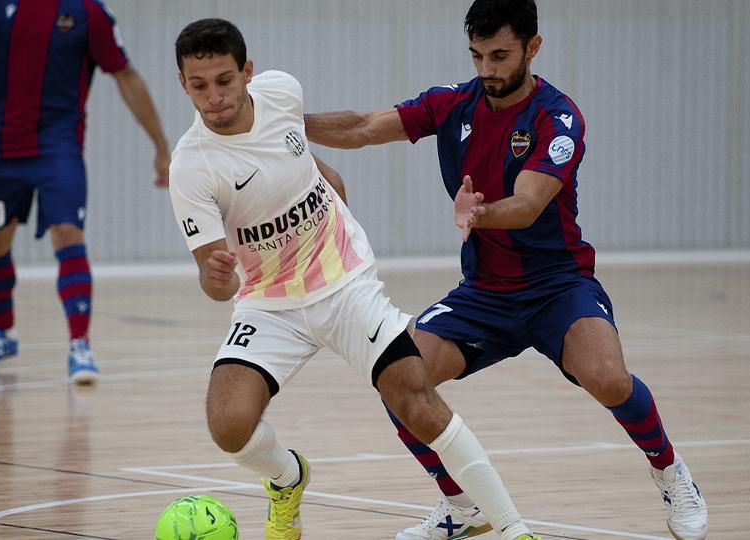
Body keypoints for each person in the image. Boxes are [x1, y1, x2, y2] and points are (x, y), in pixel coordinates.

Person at [302, 1, 709, 539]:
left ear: (532, 48)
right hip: (485, 294)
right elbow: (360, 127)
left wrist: (480, 213)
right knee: (398, 379)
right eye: (477, 55)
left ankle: (670, 472)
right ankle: (461, 506)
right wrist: (282, 123)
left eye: (500, 55)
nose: (487, 68)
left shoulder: (557, 117)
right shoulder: (452, 103)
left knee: (608, 378)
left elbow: (530, 202)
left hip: (557, 286)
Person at [168, 18, 538, 540]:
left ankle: (514, 528)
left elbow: (290, 144)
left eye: (224, 80)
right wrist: (216, 274)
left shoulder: (281, 91)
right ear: (182, 84)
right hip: (268, 303)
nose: (214, 97)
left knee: (414, 397)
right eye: (199, 86)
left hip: (343, 281)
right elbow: (216, 284)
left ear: (247, 73)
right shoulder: (191, 167)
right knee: (227, 426)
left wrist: (326, 180)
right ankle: (287, 478)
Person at [0, 0, 170, 384]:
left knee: (67, 232)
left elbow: (127, 75)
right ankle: (2, 334)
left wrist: (160, 146)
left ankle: (80, 346)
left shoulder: (89, 12)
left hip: (58, 147)